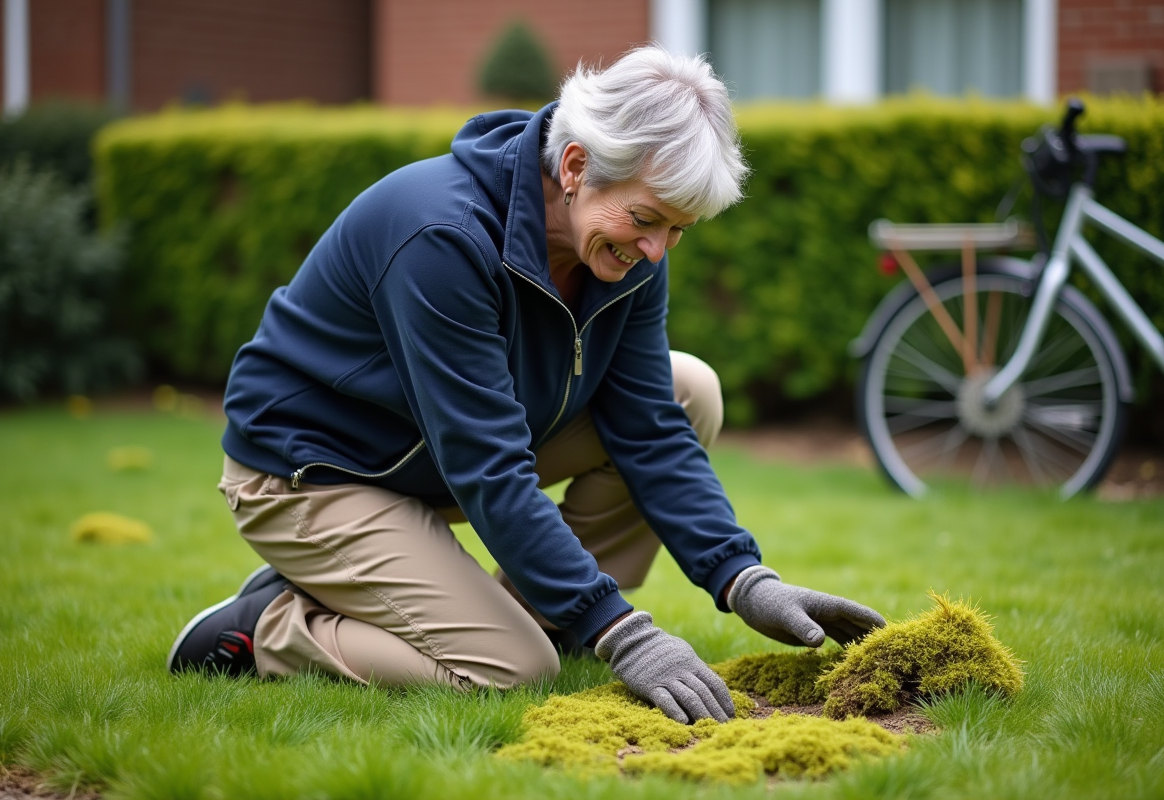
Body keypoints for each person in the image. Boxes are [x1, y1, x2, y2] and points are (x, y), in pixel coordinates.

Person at [167, 45, 885, 725]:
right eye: (645, 220)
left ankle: (539, 615)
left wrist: (743, 578)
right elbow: (488, 465)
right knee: (511, 670)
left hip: (435, 459)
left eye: (677, 230)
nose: (656, 251)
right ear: (575, 164)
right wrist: (624, 634)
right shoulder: (441, 235)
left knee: (687, 388)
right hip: (316, 473)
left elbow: (649, 425)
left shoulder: (627, 254)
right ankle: (270, 628)